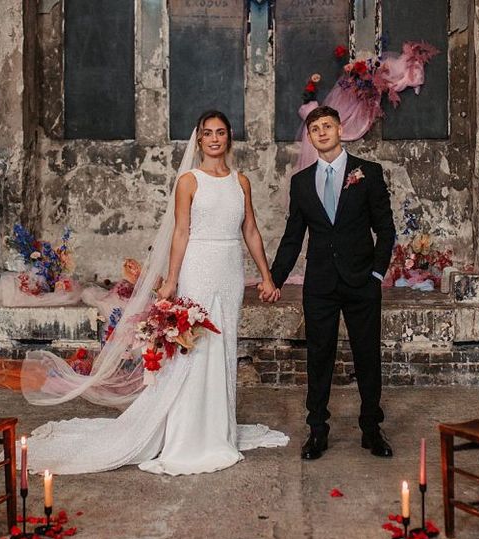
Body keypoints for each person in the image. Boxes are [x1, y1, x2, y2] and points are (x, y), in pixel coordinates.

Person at [21, 110, 288, 475]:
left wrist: (266, 277)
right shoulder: (189, 181)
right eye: (207, 133)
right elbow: (180, 233)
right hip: (198, 266)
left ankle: (217, 429)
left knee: (224, 347)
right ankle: (186, 434)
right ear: (199, 138)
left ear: (229, 138)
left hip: (229, 269)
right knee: (193, 347)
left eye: (220, 133)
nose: (214, 139)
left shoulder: (240, 182)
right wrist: (172, 281)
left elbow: (252, 231)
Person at [265, 106, 396, 461]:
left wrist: (377, 274)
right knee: (319, 358)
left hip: (361, 283)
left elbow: (385, 229)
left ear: (341, 129)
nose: (321, 132)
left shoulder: (367, 173)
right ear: (310, 137)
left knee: (367, 356)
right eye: (314, 128)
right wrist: (274, 278)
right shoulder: (301, 182)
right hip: (320, 285)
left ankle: (371, 428)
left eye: (327, 125)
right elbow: (293, 237)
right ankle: (317, 431)